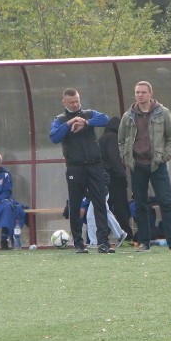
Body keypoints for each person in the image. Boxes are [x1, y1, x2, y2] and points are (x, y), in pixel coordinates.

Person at [118, 81, 171, 252]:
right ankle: (144, 242)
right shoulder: (128, 116)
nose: (140, 95)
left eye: (143, 92)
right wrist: (127, 158)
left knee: (165, 202)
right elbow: (121, 140)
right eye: (137, 92)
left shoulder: (162, 113)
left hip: (158, 164)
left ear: (151, 93)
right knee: (141, 205)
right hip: (137, 166)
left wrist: (165, 157)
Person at [49, 88, 114, 254]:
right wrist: (70, 123)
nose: (76, 104)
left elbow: (105, 119)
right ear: (64, 102)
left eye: (77, 101)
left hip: (94, 165)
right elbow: (55, 137)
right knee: (75, 204)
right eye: (72, 102)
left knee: (100, 203)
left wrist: (86, 122)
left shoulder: (89, 114)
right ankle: (78, 243)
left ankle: (103, 242)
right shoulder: (60, 119)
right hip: (75, 167)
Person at [98, 116, 133, 241]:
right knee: (121, 208)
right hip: (115, 178)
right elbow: (115, 159)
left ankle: (101, 236)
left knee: (105, 208)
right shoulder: (113, 138)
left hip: (103, 178)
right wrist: (122, 174)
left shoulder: (102, 139)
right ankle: (126, 234)